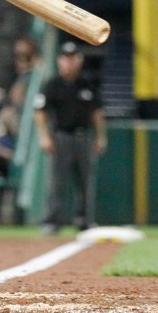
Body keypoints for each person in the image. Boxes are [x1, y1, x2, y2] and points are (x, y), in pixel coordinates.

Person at [33, 41, 107, 234]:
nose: (69, 63)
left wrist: (100, 137)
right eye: (66, 58)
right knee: (57, 182)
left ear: (79, 61)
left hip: (83, 136)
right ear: (59, 61)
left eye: (73, 58)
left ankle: (84, 220)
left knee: (85, 181)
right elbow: (40, 112)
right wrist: (44, 137)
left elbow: (96, 113)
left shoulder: (87, 83)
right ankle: (52, 221)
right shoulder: (52, 84)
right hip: (61, 136)